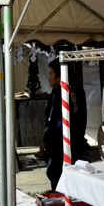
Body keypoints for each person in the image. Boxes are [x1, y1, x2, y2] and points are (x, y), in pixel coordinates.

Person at [42, 60, 87, 191]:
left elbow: (62, 119)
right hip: (59, 142)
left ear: (59, 75)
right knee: (54, 173)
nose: (49, 77)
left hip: (65, 142)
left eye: (51, 74)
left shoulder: (68, 91)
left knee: (58, 173)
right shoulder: (57, 91)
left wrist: (49, 140)